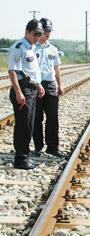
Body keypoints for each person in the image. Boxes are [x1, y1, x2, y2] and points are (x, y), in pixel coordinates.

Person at [8, 19, 45, 170]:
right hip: (23, 91)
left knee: (29, 125)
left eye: (39, 34)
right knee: (23, 126)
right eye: (35, 34)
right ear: (27, 31)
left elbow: (30, 72)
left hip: (31, 90)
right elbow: (13, 72)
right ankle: (20, 160)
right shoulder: (19, 47)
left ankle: (25, 156)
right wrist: (18, 92)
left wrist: (38, 85)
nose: (37, 37)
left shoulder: (31, 48)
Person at [32, 18, 64, 158]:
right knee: (37, 118)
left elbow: (56, 68)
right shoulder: (32, 47)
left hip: (50, 85)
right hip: (36, 85)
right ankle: (38, 147)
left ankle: (52, 147)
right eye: (46, 30)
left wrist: (59, 85)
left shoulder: (53, 49)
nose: (48, 33)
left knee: (52, 118)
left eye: (49, 31)